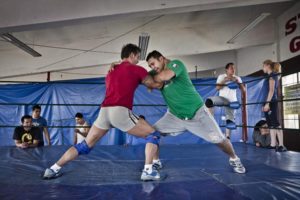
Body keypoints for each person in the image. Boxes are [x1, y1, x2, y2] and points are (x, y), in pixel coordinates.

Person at [42, 43, 163, 181]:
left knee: (84, 145)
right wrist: (164, 76)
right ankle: (148, 170)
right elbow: (154, 84)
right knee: (153, 135)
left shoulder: (111, 71)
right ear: (132, 55)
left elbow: (123, 80)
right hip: (120, 111)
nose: (138, 60)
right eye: (137, 57)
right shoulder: (137, 69)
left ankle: (53, 168)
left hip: (104, 112)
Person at [145, 51, 246, 174]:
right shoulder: (155, 72)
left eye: (153, 63)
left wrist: (151, 81)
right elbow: (139, 77)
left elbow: (164, 77)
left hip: (198, 113)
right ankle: (156, 162)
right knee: (152, 133)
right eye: (150, 66)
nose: (152, 67)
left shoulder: (176, 64)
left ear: (161, 59)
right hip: (174, 116)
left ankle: (234, 158)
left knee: (219, 139)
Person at [205, 63, 246, 139]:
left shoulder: (237, 78)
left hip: (232, 102)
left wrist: (237, 82)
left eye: (234, 68)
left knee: (230, 122)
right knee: (208, 101)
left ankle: (227, 138)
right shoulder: (221, 76)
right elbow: (217, 88)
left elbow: (243, 90)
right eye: (231, 68)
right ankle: (211, 123)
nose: (233, 70)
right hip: (222, 99)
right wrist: (225, 80)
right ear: (226, 70)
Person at [262, 60, 287, 152]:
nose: (262, 68)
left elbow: (272, 91)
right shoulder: (269, 76)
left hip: (272, 101)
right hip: (267, 101)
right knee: (271, 124)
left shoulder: (273, 75)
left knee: (275, 123)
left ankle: (281, 145)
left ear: (268, 65)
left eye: (263, 66)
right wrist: (264, 103)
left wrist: (267, 103)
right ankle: (273, 144)